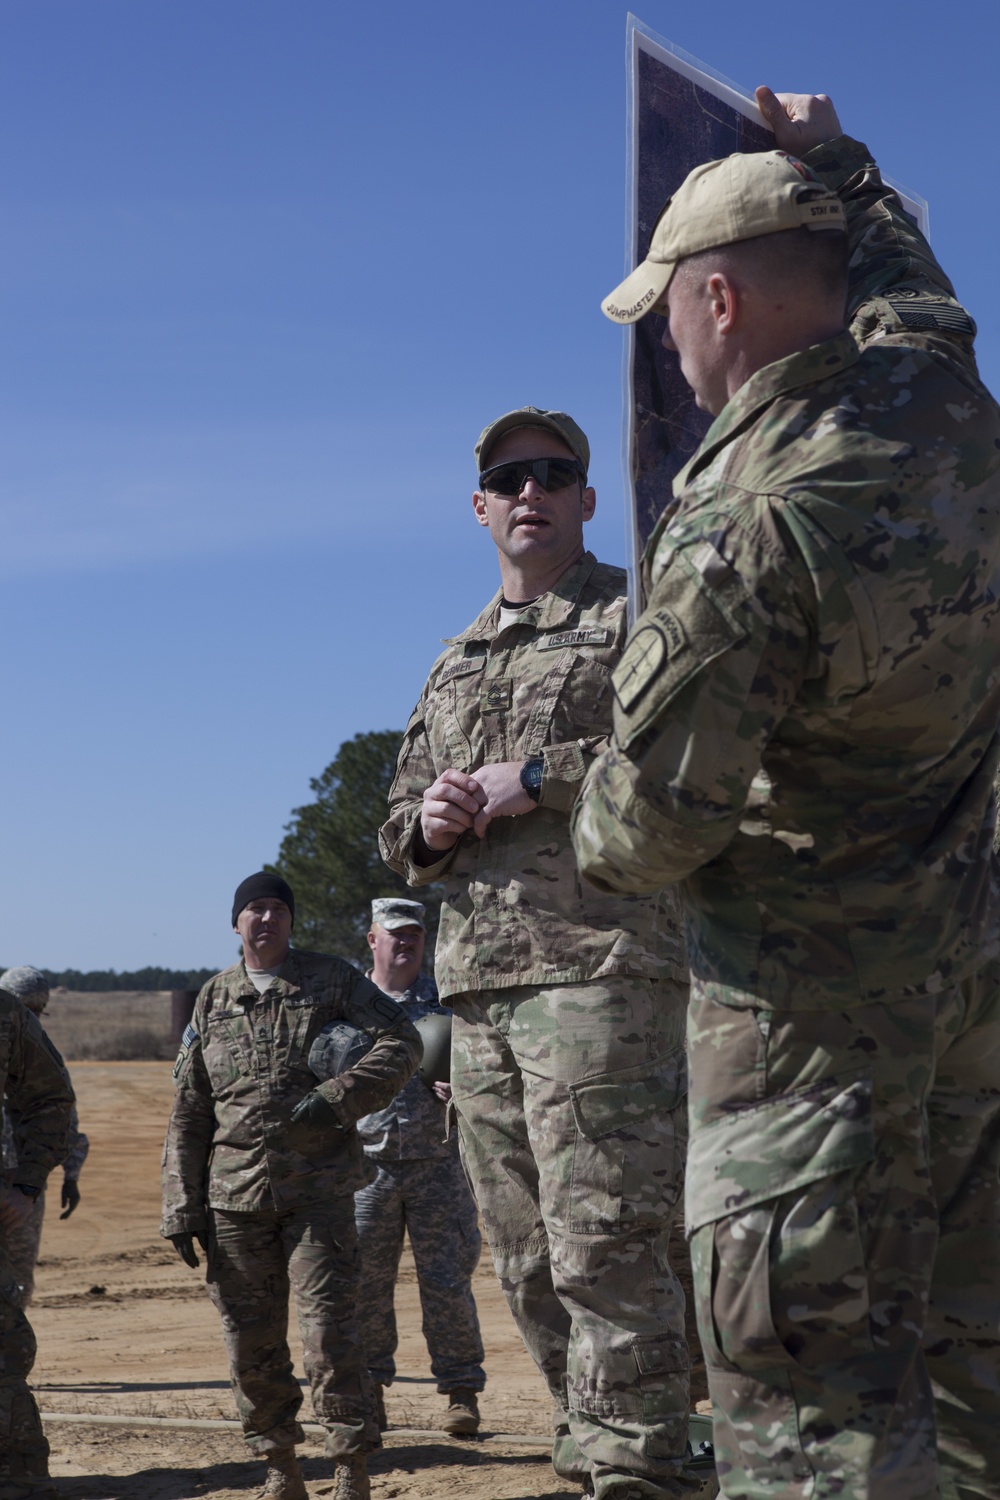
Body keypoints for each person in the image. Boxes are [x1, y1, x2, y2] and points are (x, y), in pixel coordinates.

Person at [572, 88, 1000, 1498]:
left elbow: (647, 831)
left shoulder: (749, 514)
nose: (672, 347)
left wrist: (566, 797)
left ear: (716, 299)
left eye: (668, 316)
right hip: (968, 1005)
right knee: (974, 1379)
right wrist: (839, 160)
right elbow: (913, 287)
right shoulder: (942, 403)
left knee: (817, 1418)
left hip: (803, 1050)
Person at [380, 408, 693, 1500]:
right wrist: (427, 823)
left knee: (605, 1242)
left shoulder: (632, 617)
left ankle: (644, 1467)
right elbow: (395, 817)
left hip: (599, 970)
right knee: (520, 1254)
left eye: (554, 473)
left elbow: (681, 745)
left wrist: (540, 777)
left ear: (587, 500)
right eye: (509, 477)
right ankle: (590, 1442)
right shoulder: (453, 658)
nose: (531, 490)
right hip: (476, 991)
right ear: (480, 507)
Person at [161, 872, 422, 1500]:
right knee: (251, 1342)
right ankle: (279, 1465)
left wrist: (339, 1097)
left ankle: (350, 1468)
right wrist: (181, 1201)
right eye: (255, 909)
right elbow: (191, 1107)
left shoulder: (330, 980)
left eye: (278, 909)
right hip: (234, 1201)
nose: (266, 919)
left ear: (290, 921)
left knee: (332, 1333)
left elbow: (403, 1040)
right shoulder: (213, 997)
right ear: (236, 923)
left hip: (319, 1192)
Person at [354, 896, 485, 1437]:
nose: (405, 942)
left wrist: (465, 1087)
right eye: (395, 933)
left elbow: (486, 1065)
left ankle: (461, 1393)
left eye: (414, 934)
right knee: (364, 1285)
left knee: (448, 1283)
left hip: (439, 1164)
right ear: (373, 939)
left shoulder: (448, 1001)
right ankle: (367, 1392)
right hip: (367, 1168)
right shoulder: (348, 1003)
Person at [0, 975, 74, 1500]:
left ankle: (20, 1474)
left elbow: (50, 1097)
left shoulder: (5, 1016)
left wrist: (27, 1181)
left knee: (3, 1347)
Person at [1, 967, 89, 1305]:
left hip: (24, 1186)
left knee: (16, 1285)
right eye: (24, 1010)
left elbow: (62, 1119)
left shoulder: (41, 1057)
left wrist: (70, 1175)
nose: (30, 1019)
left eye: (36, 1012)